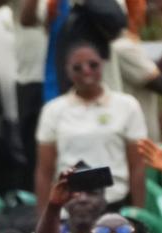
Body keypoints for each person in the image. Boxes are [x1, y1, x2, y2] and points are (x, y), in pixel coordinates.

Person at [35, 42, 147, 210]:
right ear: (67, 70)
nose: (86, 71)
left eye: (93, 65)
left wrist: (138, 213)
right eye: (77, 67)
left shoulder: (127, 106)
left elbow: (137, 167)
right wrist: (43, 218)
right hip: (70, 207)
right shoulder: (53, 110)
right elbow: (44, 171)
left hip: (114, 203)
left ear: (103, 65)